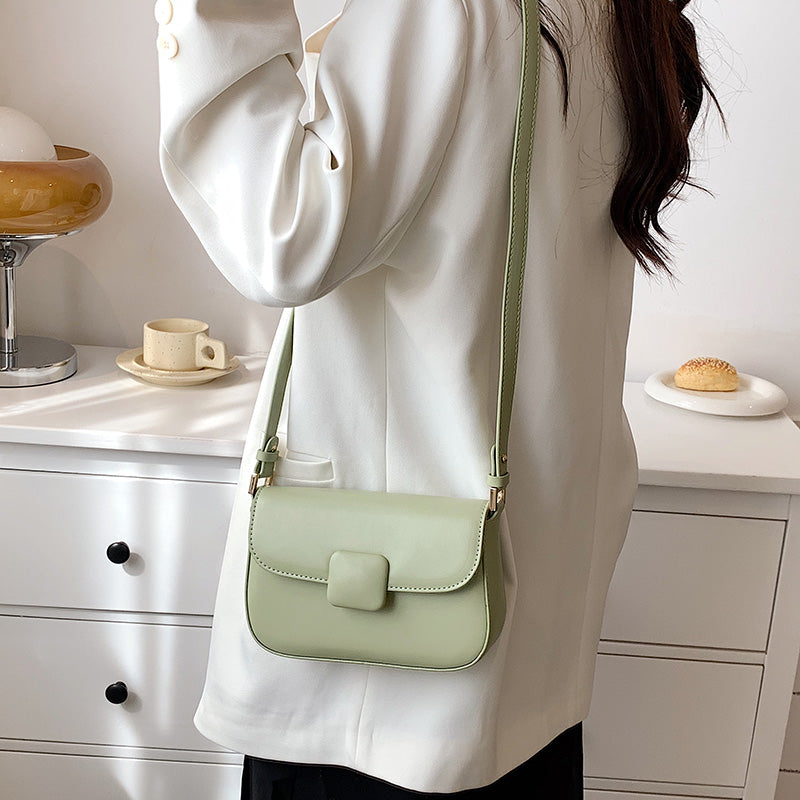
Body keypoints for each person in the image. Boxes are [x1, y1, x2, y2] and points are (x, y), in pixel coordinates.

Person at [155, 0, 719, 797]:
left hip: (379, 665)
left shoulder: (446, 10)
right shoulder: (610, 12)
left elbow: (279, 237)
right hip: (523, 644)